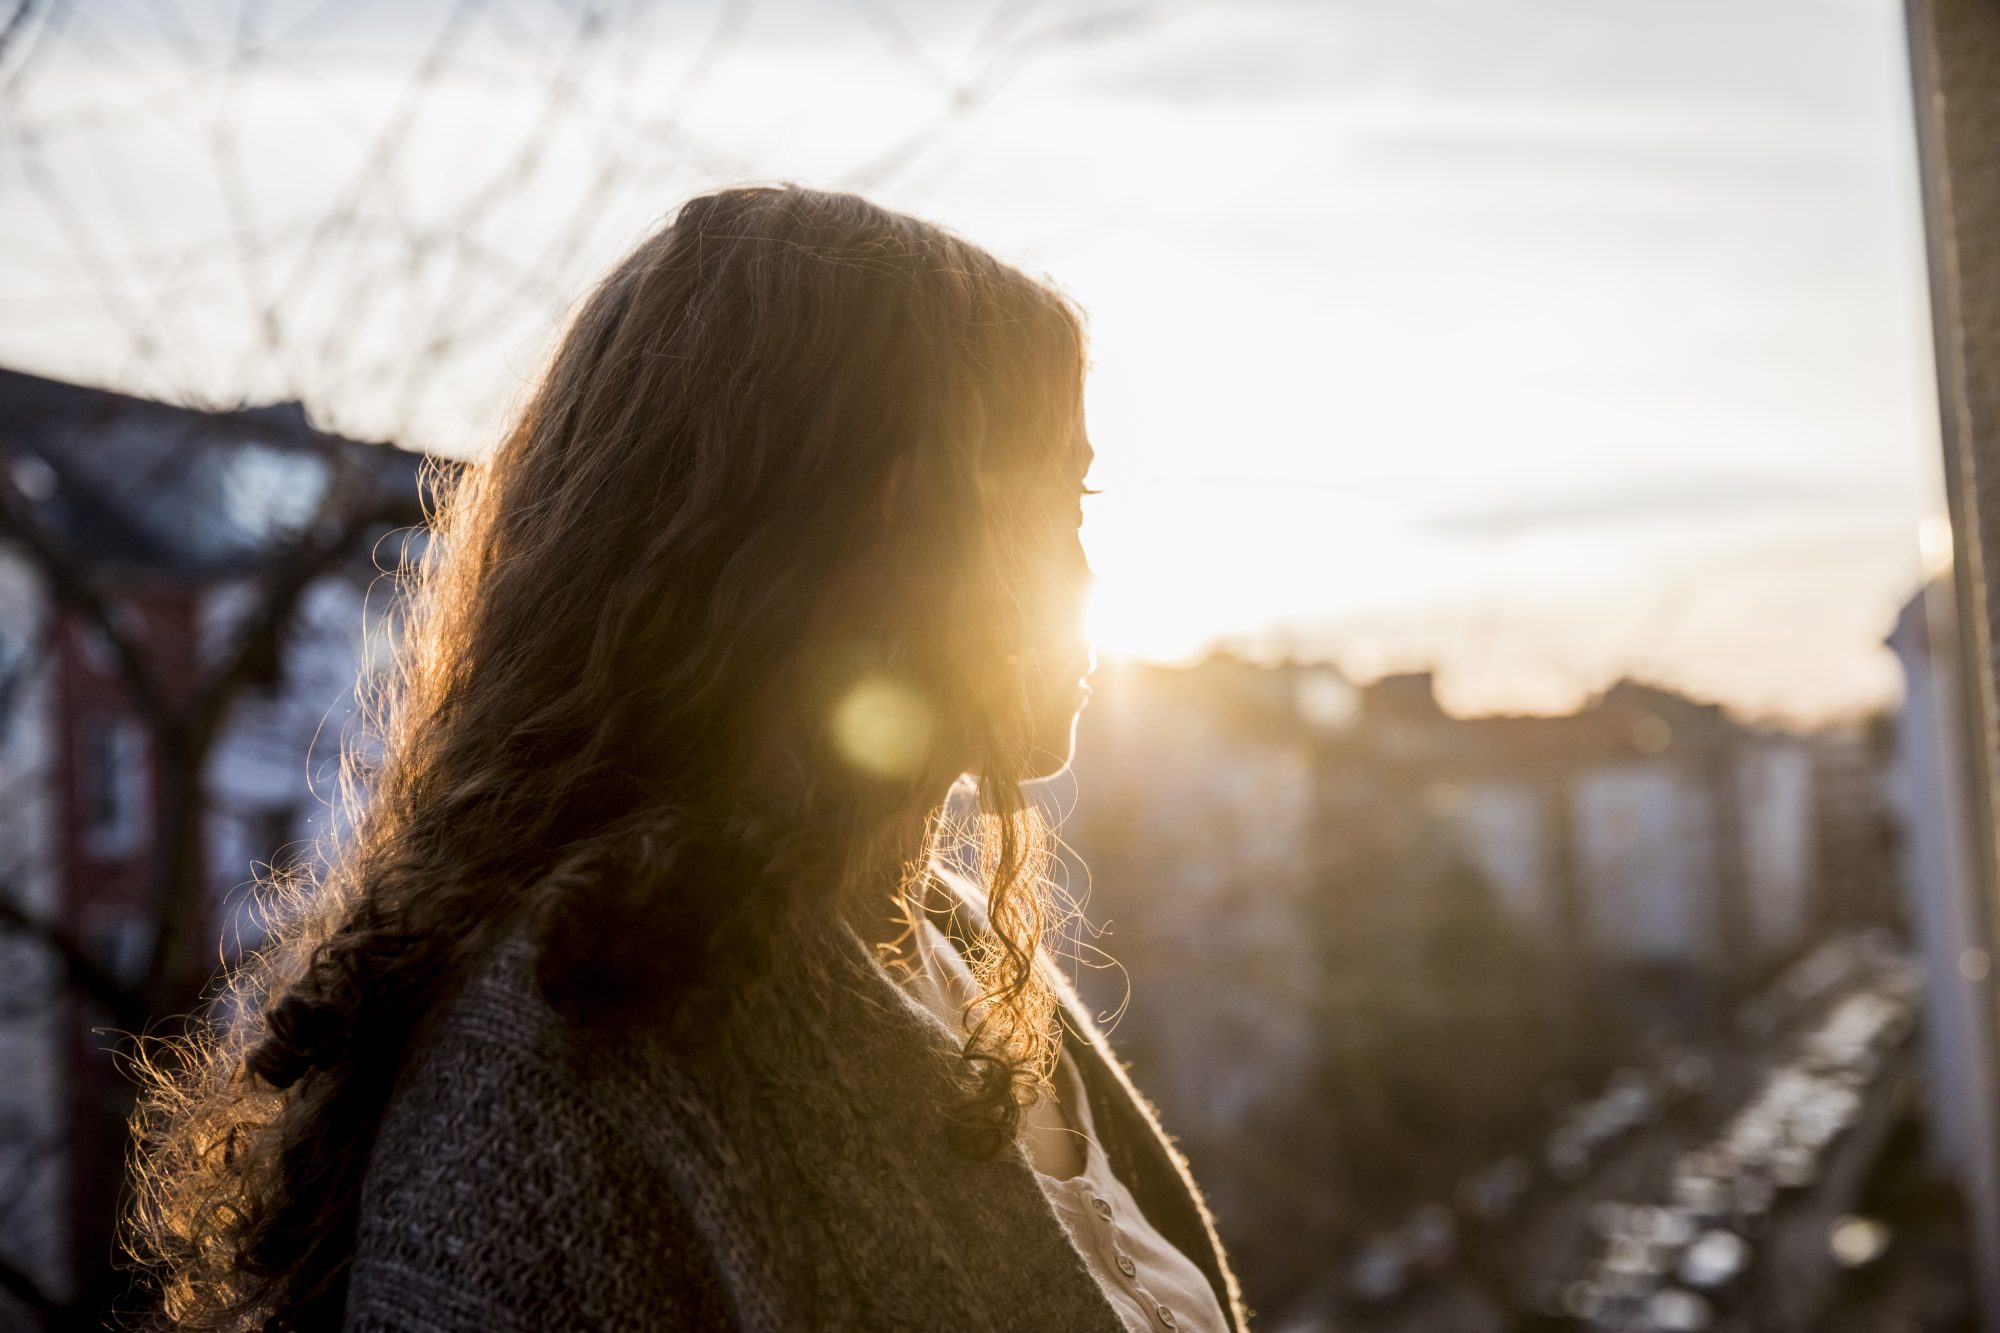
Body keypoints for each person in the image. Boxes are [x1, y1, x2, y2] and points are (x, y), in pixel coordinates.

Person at [127, 184, 1248, 1332]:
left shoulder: (950, 940)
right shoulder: (579, 1033)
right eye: (1061, 499)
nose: (1090, 577)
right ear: (893, 527)